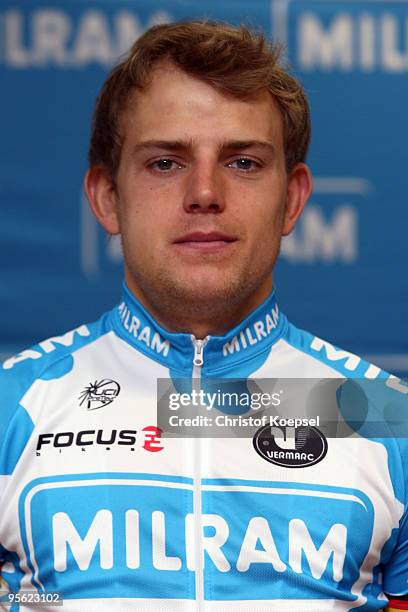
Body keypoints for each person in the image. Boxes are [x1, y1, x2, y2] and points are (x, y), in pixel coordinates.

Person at [0, 20, 407, 612]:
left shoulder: (387, 421)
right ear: (107, 197)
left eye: (243, 163)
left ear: (291, 199)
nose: (205, 192)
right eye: (166, 162)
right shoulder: (11, 409)